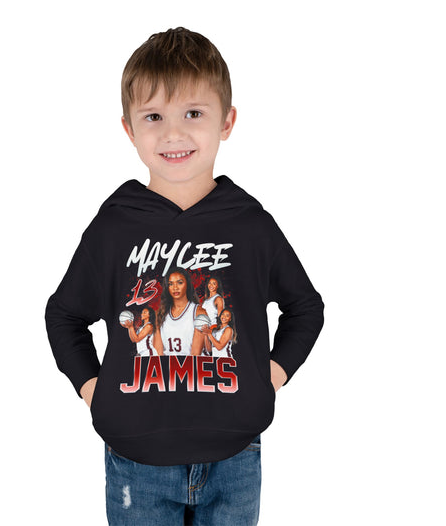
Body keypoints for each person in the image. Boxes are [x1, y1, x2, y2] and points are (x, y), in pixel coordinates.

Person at [45, 27, 324, 526]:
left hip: (235, 457)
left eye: (193, 113)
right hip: (136, 461)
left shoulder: (250, 223)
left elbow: (305, 306)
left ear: (227, 121)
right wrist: (92, 388)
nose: (173, 134)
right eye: (153, 116)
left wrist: (272, 376)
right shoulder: (114, 225)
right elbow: (64, 314)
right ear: (129, 129)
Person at [152, 267, 208, 356]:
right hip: (167, 364)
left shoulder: (199, 313)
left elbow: (195, 354)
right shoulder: (159, 314)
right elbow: (158, 353)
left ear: (187, 284)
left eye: (180, 283)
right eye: (171, 284)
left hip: (192, 363)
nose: (175, 288)